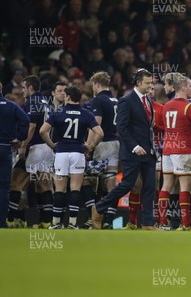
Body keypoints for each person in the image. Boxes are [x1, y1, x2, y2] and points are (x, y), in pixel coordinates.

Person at [92, 68, 158, 230]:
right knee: (127, 184)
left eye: (151, 83)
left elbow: (147, 126)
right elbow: (121, 127)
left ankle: (148, 223)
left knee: (150, 186)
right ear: (139, 82)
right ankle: (99, 208)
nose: (151, 86)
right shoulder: (126, 100)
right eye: (148, 83)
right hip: (132, 151)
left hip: (149, 151)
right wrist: (135, 146)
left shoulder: (147, 100)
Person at [40, 87, 104, 229]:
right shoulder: (86, 114)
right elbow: (100, 133)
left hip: (62, 153)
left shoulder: (58, 112)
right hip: (78, 153)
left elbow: (42, 130)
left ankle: (56, 223)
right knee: (75, 188)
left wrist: (52, 145)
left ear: (68, 97)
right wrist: (91, 146)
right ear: (79, 98)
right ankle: (73, 223)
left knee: (60, 189)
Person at [158, 74, 191, 231]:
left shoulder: (166, 105)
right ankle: (186, 223)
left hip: (168, 149)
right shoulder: (189, 106)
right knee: (185, 187)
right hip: (183, 149)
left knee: (166, 186)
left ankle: (162, 222)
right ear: (183, 87)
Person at [19, 75, 53, 229]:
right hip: (47, 147)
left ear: (30, 87)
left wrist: (23, 145)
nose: (22, 91)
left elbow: (32, 126)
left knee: (22, 183)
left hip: (36, 147)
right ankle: (46, 221)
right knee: (43, 184)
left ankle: (19, 218)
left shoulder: (32, 101)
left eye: (23, 87)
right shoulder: (46, 101)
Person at [87, 71, 119, 229]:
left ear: (97, 84)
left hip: (103, 143)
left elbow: (96, 126)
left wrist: (90, 145)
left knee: (92, 180)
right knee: (111, 182)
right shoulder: (115, 100)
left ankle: (94, 217)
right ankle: (110, 221)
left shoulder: (98, 100)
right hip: (115, 143)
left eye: (92, 85)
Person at [0, 82, 29, 228]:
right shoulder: (11, 106)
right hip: (5, 147)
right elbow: (25, 120)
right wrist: (19, 137)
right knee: (4, 186)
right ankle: (1, 221)